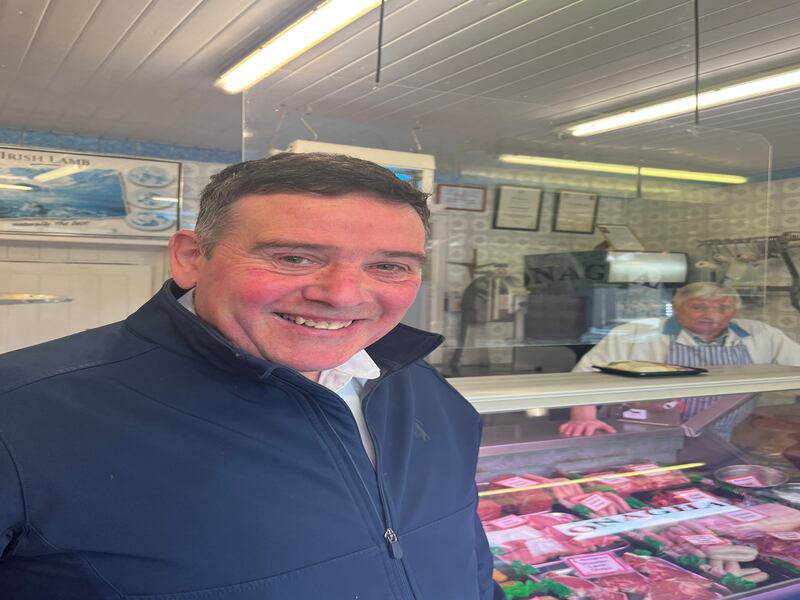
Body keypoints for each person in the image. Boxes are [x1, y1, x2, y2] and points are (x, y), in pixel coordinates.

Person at [0, 153, 502, 599]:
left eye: (390, 266)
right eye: (294, 258)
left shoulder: (427, 392)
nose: (343, 295)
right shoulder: (19, 414)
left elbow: (467, 554)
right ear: (192, 258)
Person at [560, 281, 800, 437]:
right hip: (642, 431)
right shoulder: (636, 333)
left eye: (723, 308)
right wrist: (584, 418)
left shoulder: (761, 334)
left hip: (725, 434)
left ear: (735, 311)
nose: (711, 316)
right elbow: (586, 376)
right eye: (699, 307)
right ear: (675, 307)